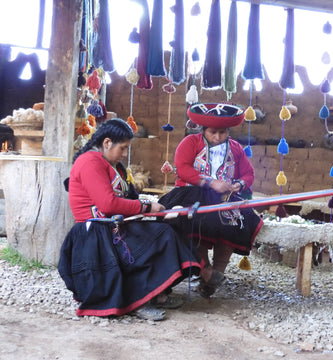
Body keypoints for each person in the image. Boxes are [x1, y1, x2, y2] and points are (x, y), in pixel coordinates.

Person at [58, 118, 203, 321]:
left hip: (113, 227)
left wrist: (162, 209)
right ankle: (138, 301)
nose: (125, 154)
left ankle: (156, 294)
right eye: (123, 148)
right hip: (96, 236)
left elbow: (130, 199)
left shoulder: (113, 165)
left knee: (168, 230)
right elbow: (108, 204)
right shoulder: (90, 162)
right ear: (107, 143)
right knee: (160, 237)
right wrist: (146, 207)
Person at [159, 103, 263, 299]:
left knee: (234, 224)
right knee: (192, 224)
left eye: (222, 132)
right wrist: (210, 182)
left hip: (225, 198)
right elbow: (183, 168)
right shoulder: (190, 142)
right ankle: (205, 269)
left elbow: (248, 173)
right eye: (213, 132)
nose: (217, 137)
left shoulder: (236, 148)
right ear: (203, 130)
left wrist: (239, 185)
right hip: (191, 193)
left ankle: (217, 273)